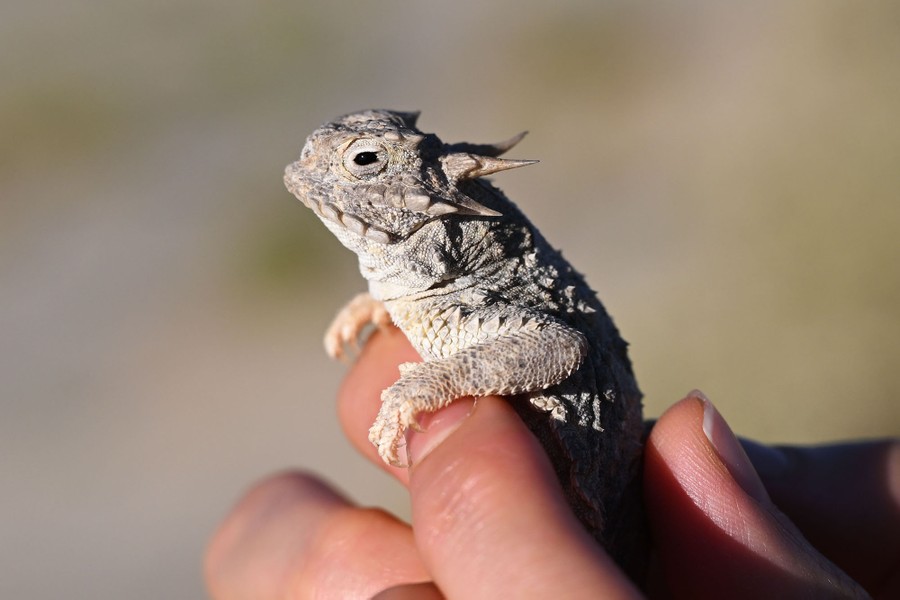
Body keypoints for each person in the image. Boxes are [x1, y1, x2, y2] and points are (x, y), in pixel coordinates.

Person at [204, 327, 898, 599]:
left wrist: (433, 383)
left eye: (364, 161)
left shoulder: (471, 249)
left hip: (602, 507)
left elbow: (556, 350)